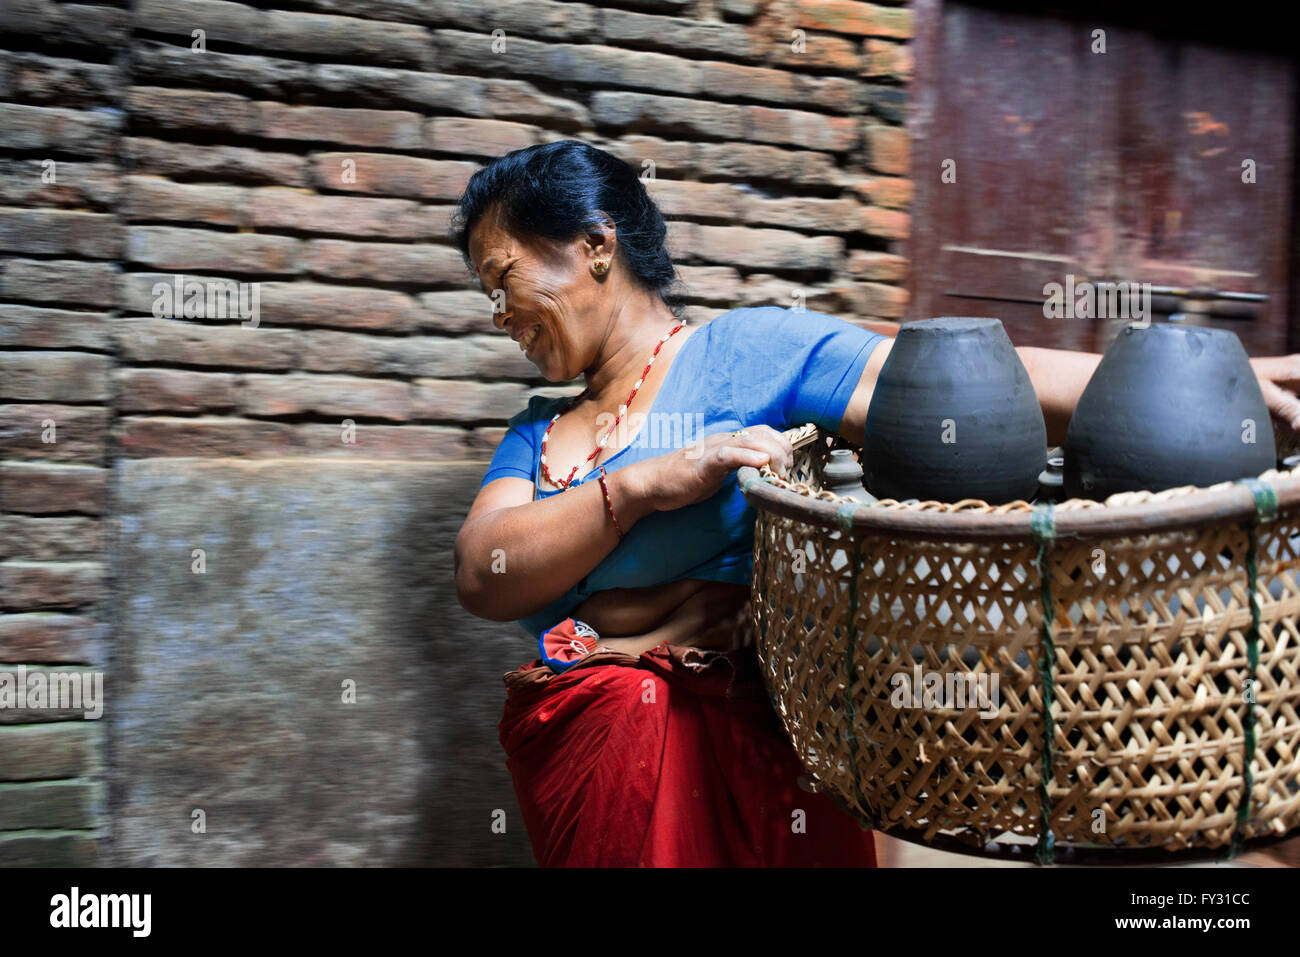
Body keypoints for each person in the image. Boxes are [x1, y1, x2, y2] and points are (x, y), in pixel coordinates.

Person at [451, 139, 1300, 867]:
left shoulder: (752, 354)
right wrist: (639, 486)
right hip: (600, 780)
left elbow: (966, 385)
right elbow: (485, 574)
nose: (498, 313)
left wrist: (1208, 381)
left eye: (505, 278)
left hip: (758, 774)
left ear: (595, 245)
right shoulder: (537, 432)